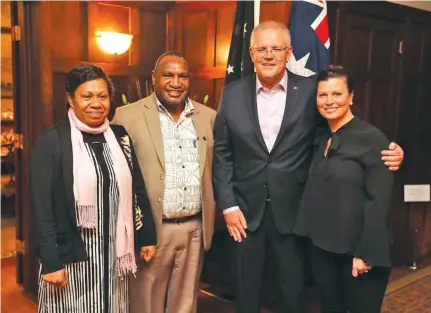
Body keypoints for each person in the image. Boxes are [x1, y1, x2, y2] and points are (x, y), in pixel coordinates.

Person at [212, 21, 404, 313]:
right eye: (261, 49)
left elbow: (341, 124)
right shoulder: (232, 94)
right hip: (243, 215)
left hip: (295, 214)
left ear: (289, 52)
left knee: (293, 294)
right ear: (251, 53)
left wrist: (388, 149)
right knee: (245, 293)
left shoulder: (311, 91)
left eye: (276, 48)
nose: (268, 55)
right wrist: (227, 205)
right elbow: (223, 152)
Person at [31, 64, 157, 313]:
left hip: (114, 254)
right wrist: (51, 261)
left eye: (102, 96)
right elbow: (42, 206)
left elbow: (137, 189)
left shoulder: (120, 136)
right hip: (72, 257)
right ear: (70, 99)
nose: (95, 103)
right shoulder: (52, 141)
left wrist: (148, 236)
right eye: (86, 96)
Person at [112, 51, 216, 313]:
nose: (176, 82)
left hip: (194, 228)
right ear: (154, 78)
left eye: (183, 76)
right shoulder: (126, 116)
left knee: (185, 304)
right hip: (152, 231)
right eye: (168, 75)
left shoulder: (209, 117)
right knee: (147, 303)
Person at [294, 65, 394, 313]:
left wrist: (366, 254)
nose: (329, 101)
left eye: (337, 94)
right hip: (324, 249)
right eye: (323, 95)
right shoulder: (318, 136)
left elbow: (379, 200)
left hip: (358, 253)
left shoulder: (373, 139)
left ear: (351, 96)